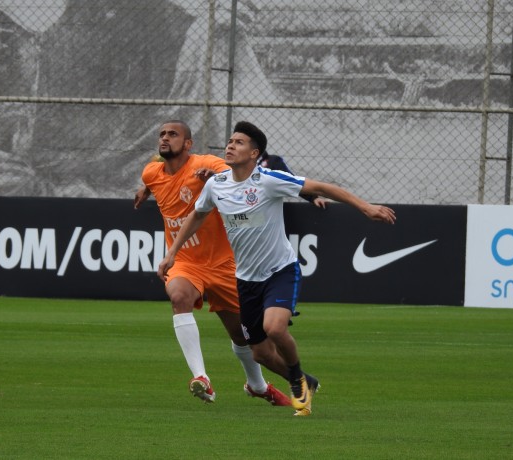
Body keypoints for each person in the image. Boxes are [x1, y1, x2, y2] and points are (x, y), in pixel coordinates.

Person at [158, 121, 396, 416]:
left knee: (274, 327)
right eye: (230, 141)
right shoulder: (216, 185)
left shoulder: (268, 180)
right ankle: (303, 380)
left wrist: (366, 208)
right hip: (246, 280)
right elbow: (198, 215)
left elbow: (321, 187)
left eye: (239, 142)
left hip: (280, 272)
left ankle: (296, 381)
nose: (230, 146)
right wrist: (172, 253)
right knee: (259, 352)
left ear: (254, 153)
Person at [134, 120, 290, 406]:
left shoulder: (206, 162)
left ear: (189, 144)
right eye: (161, 135)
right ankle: (201, 377)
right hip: (185, 261)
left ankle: (257, 385)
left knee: (243, 336)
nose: (165, 138)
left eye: (173, 134)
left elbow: (236, 173)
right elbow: (153, 171)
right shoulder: (151, 172)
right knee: (179, 295)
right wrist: (146, 188)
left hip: (224, 263)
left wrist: (214, 176)